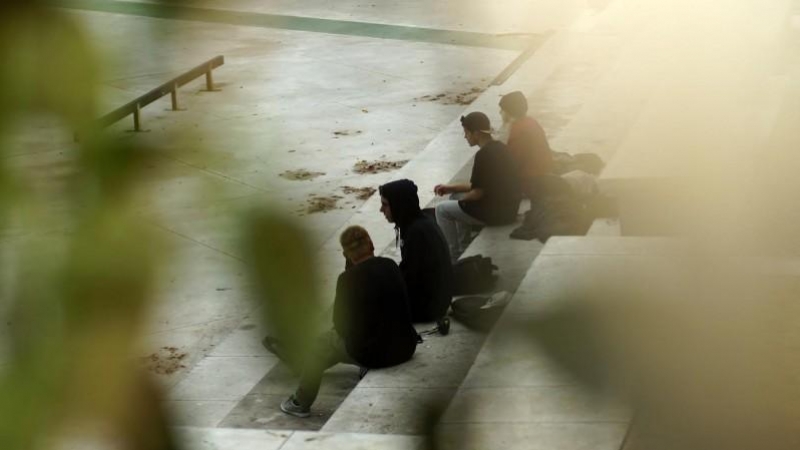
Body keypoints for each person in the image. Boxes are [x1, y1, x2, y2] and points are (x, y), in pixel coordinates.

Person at [279, 226, 418, 418]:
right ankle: (306, 366)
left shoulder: (347, 280)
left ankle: (300, 402)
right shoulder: (390, 266)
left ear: (346, 254)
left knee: (322, 344)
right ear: (371, 243)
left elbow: (341, 327)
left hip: (376, 355)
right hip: (405, 347)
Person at [434, 112, 520, 261]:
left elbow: (477, 193)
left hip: (497, 214)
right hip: (509, 208)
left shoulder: (483, 155)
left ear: (476, 133)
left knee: (442, 209)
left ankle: (452, 256)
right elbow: (480, 184)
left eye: (466, 132)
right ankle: (464, 245)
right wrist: (450, 188)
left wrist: (461, 203)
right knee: (455, 197)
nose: (465, 136)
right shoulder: (499, 147)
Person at [379, 179, 453, 323]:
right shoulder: (420, 221)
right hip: (437, 301)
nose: (382, 210)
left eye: (385, 205)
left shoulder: (415, 232)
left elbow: (410, 278)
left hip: (428, 308)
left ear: (398, 204)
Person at [498, 91, 554, 198]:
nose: (500, 113)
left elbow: (513, 162)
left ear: (509, 112)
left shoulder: (518, 131)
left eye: (502, 110)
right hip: (542, 173)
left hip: (530, 181)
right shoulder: (530, 122)